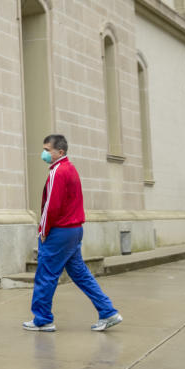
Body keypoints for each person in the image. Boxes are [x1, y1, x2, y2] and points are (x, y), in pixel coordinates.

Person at [23, 134, 123, 332]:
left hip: (60, 231)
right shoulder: (71, 169)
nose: (43, 153)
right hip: (74, 230)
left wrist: (43, 229)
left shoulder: (57, 172)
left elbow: (51, 206)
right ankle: (108, 311)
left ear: (59, 152)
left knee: (46, 274)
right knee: (80, 274)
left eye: (47, 150)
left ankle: (42, 319)